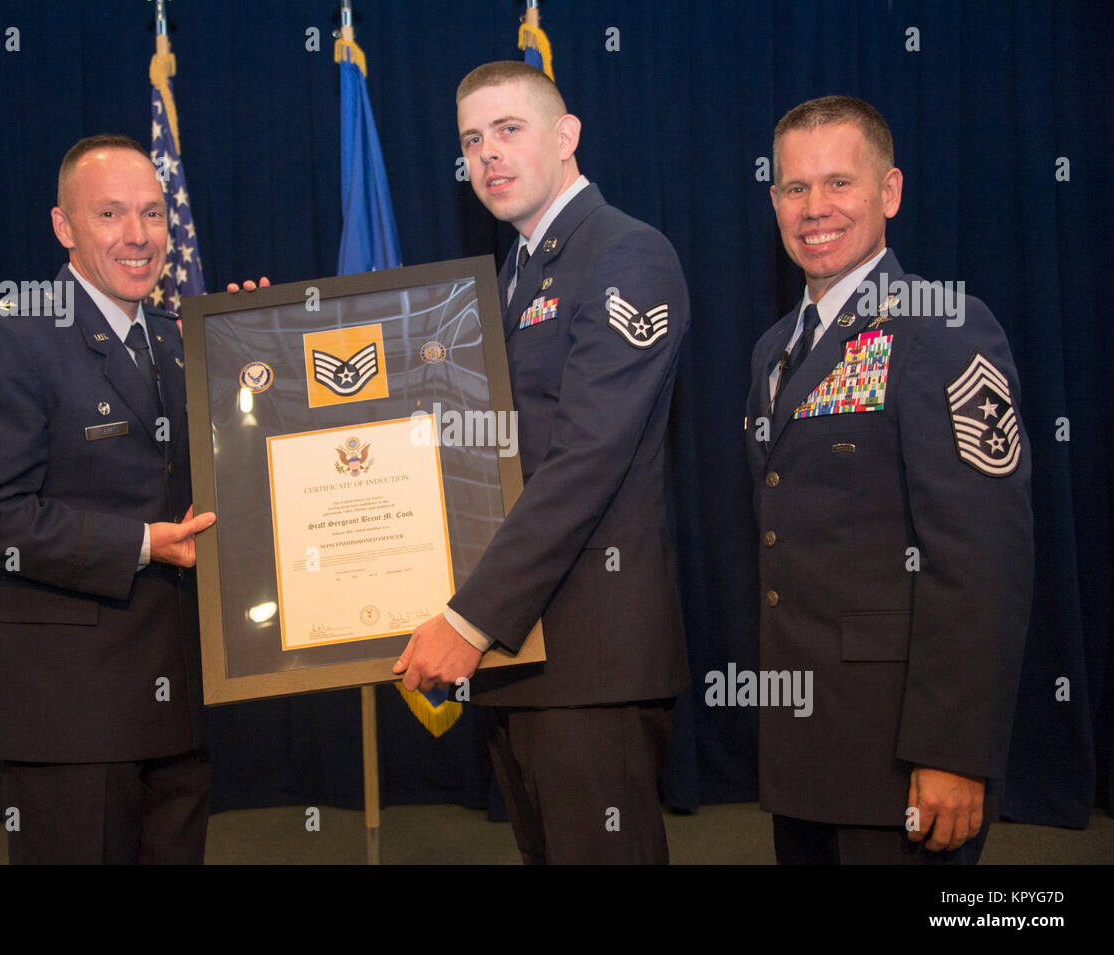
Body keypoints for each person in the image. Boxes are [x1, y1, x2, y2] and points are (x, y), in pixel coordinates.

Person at [394, 62, 690, 864]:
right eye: (471, 139)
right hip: (521, 655)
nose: (487, 154)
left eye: (509, 130)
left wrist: (469, 617)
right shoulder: (512, 275)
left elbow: (586, 459)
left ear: (566, 136)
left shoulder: (627, 255)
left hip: (589, 660)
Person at [0, 134, 249, 863]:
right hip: (70, 720)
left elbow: (222, 479)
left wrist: (255, 353)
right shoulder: (13, 336)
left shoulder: (178, 340)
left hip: (178, 713)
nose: (138, 237)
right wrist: (141, 544)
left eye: (152, 214)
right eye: (109, 215)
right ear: (64, 226)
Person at [744, 96, 1033, 864]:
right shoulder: (775, 349)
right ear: (775, 201)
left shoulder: (942, 326)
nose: (815, 209)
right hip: (803, 749)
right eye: (796, 189)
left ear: (890, 193)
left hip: (903, 756)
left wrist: (955, 750)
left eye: (839, 183)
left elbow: (983, 559)